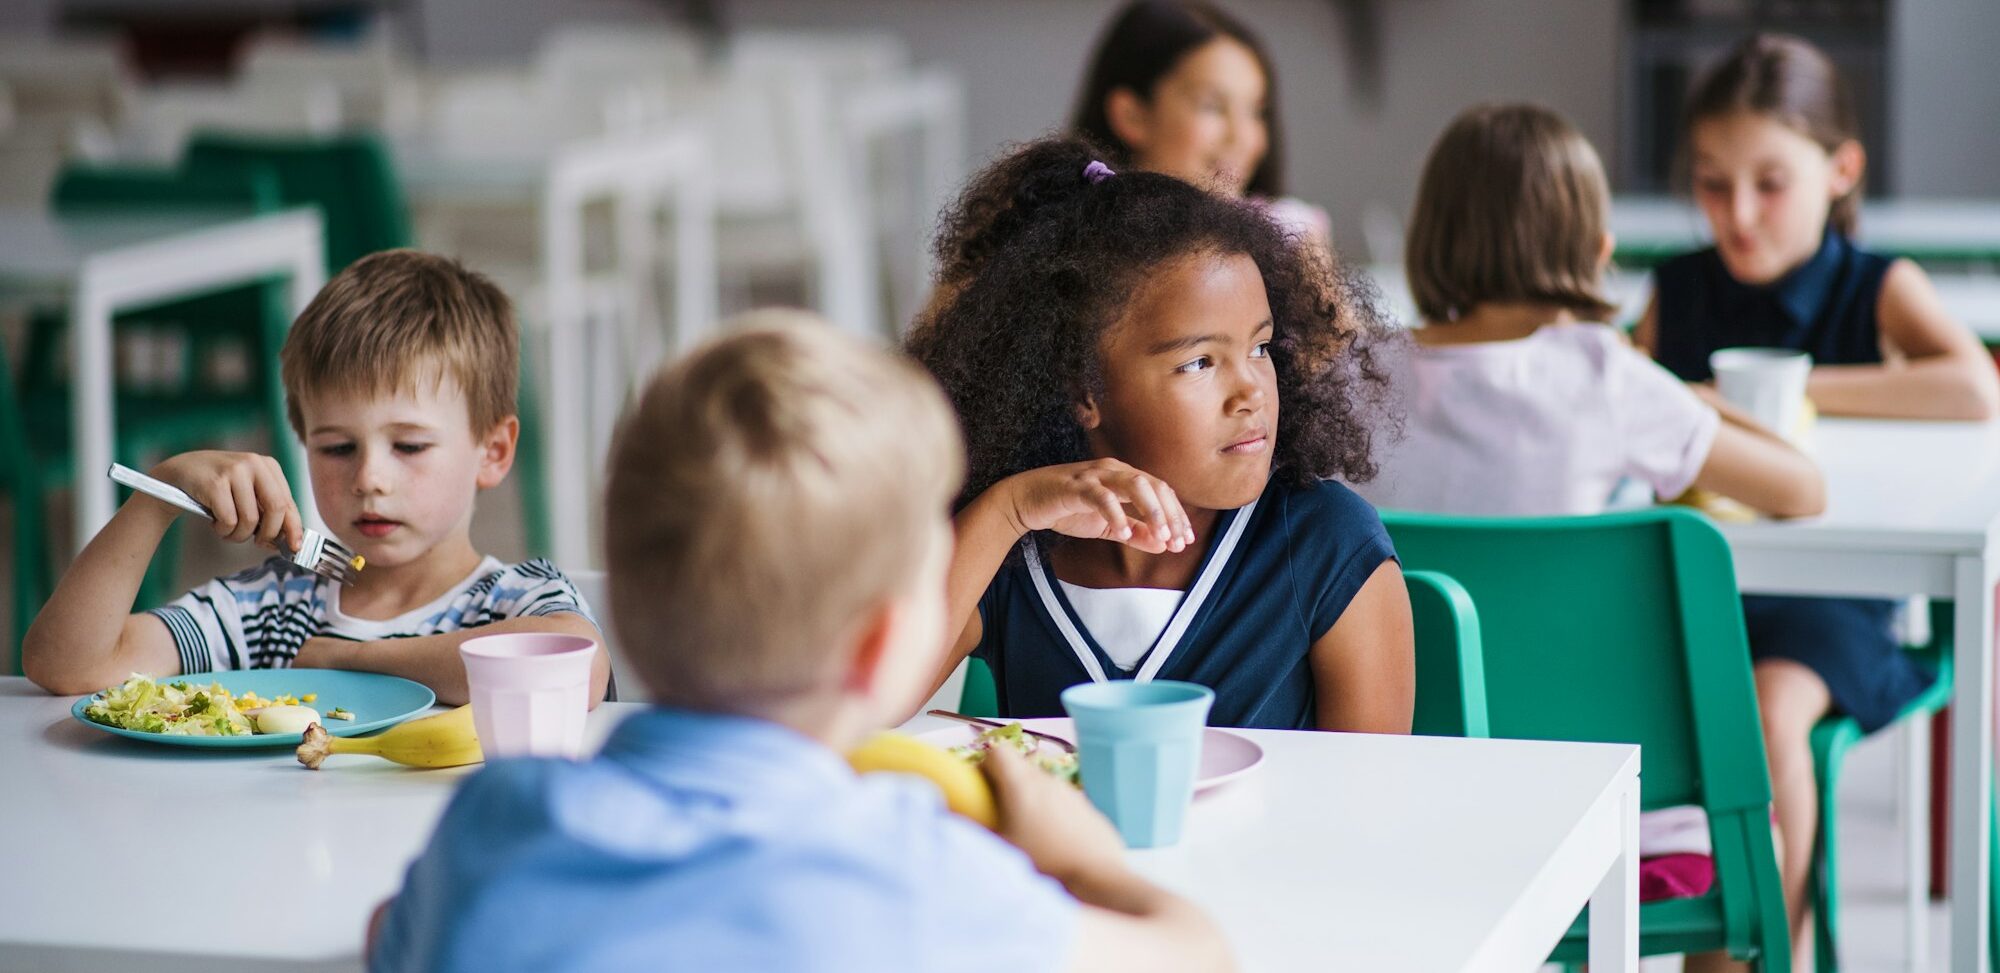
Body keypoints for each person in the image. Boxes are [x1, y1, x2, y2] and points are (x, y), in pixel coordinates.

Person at [368, 312, 1234, 973]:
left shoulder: (495, 824)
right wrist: (1087, 860)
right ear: (885, 644)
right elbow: (1196, 952)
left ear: (620, 612)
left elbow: (388, 937)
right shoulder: (918, 872)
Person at [910, 137, 1412, 733]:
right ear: (1084, 391)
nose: (1251, 391)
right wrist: (1007, 509)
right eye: (1199, 362)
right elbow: (874, 697)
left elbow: (1374, 797)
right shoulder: (1011, 552)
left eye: (1259, 347)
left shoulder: (1325, 542)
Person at [24, 250, 607, 706]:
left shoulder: (516, 601)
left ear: (494, 451)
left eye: (408, 445)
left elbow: (572, 665)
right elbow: (70, 667)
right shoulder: (274, 609)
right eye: (337, 447)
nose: (369, 477)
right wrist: (157, 499)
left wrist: (351, 660)